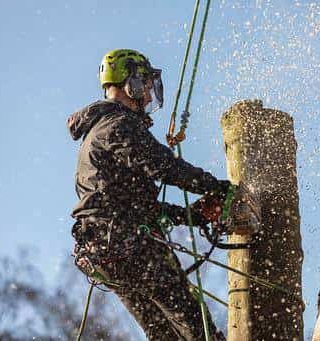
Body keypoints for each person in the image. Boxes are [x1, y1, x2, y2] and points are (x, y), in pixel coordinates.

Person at [67, 49, 229, 340]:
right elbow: (163, 167)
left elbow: (131, 206)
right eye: (146, 86)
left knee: (164, 334)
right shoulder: (118, 125)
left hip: (105, 252)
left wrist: (189, 215)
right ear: (134, 84)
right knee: (195, 325)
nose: (149, 97)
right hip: (129, 245)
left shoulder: (95, 133)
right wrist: (217, 187)